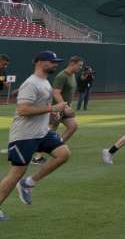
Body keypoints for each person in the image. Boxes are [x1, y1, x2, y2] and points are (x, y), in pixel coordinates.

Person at [0, 51, 73, 222]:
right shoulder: (31, 83)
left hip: (41, 132)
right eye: (52, 61)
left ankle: (29, 183)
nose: (55, 64)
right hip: (24, 135)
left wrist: (52, 115)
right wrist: (52, 109)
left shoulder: (45, 82)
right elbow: (23, 110)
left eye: (56, 61)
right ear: (40, 62)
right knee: (17, 171)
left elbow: (44, 104)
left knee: (64, 154)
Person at [49, 56, 82, 145]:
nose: (80, 67)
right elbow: (56, 93)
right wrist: (65, 106)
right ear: (72, 64)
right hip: (57, 109)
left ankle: (57, 146)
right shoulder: (62, 76)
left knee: (73, 126)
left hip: (64, 109)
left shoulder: (73, 75)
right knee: (50, 131)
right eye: (79, 65)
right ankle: (37, 155)